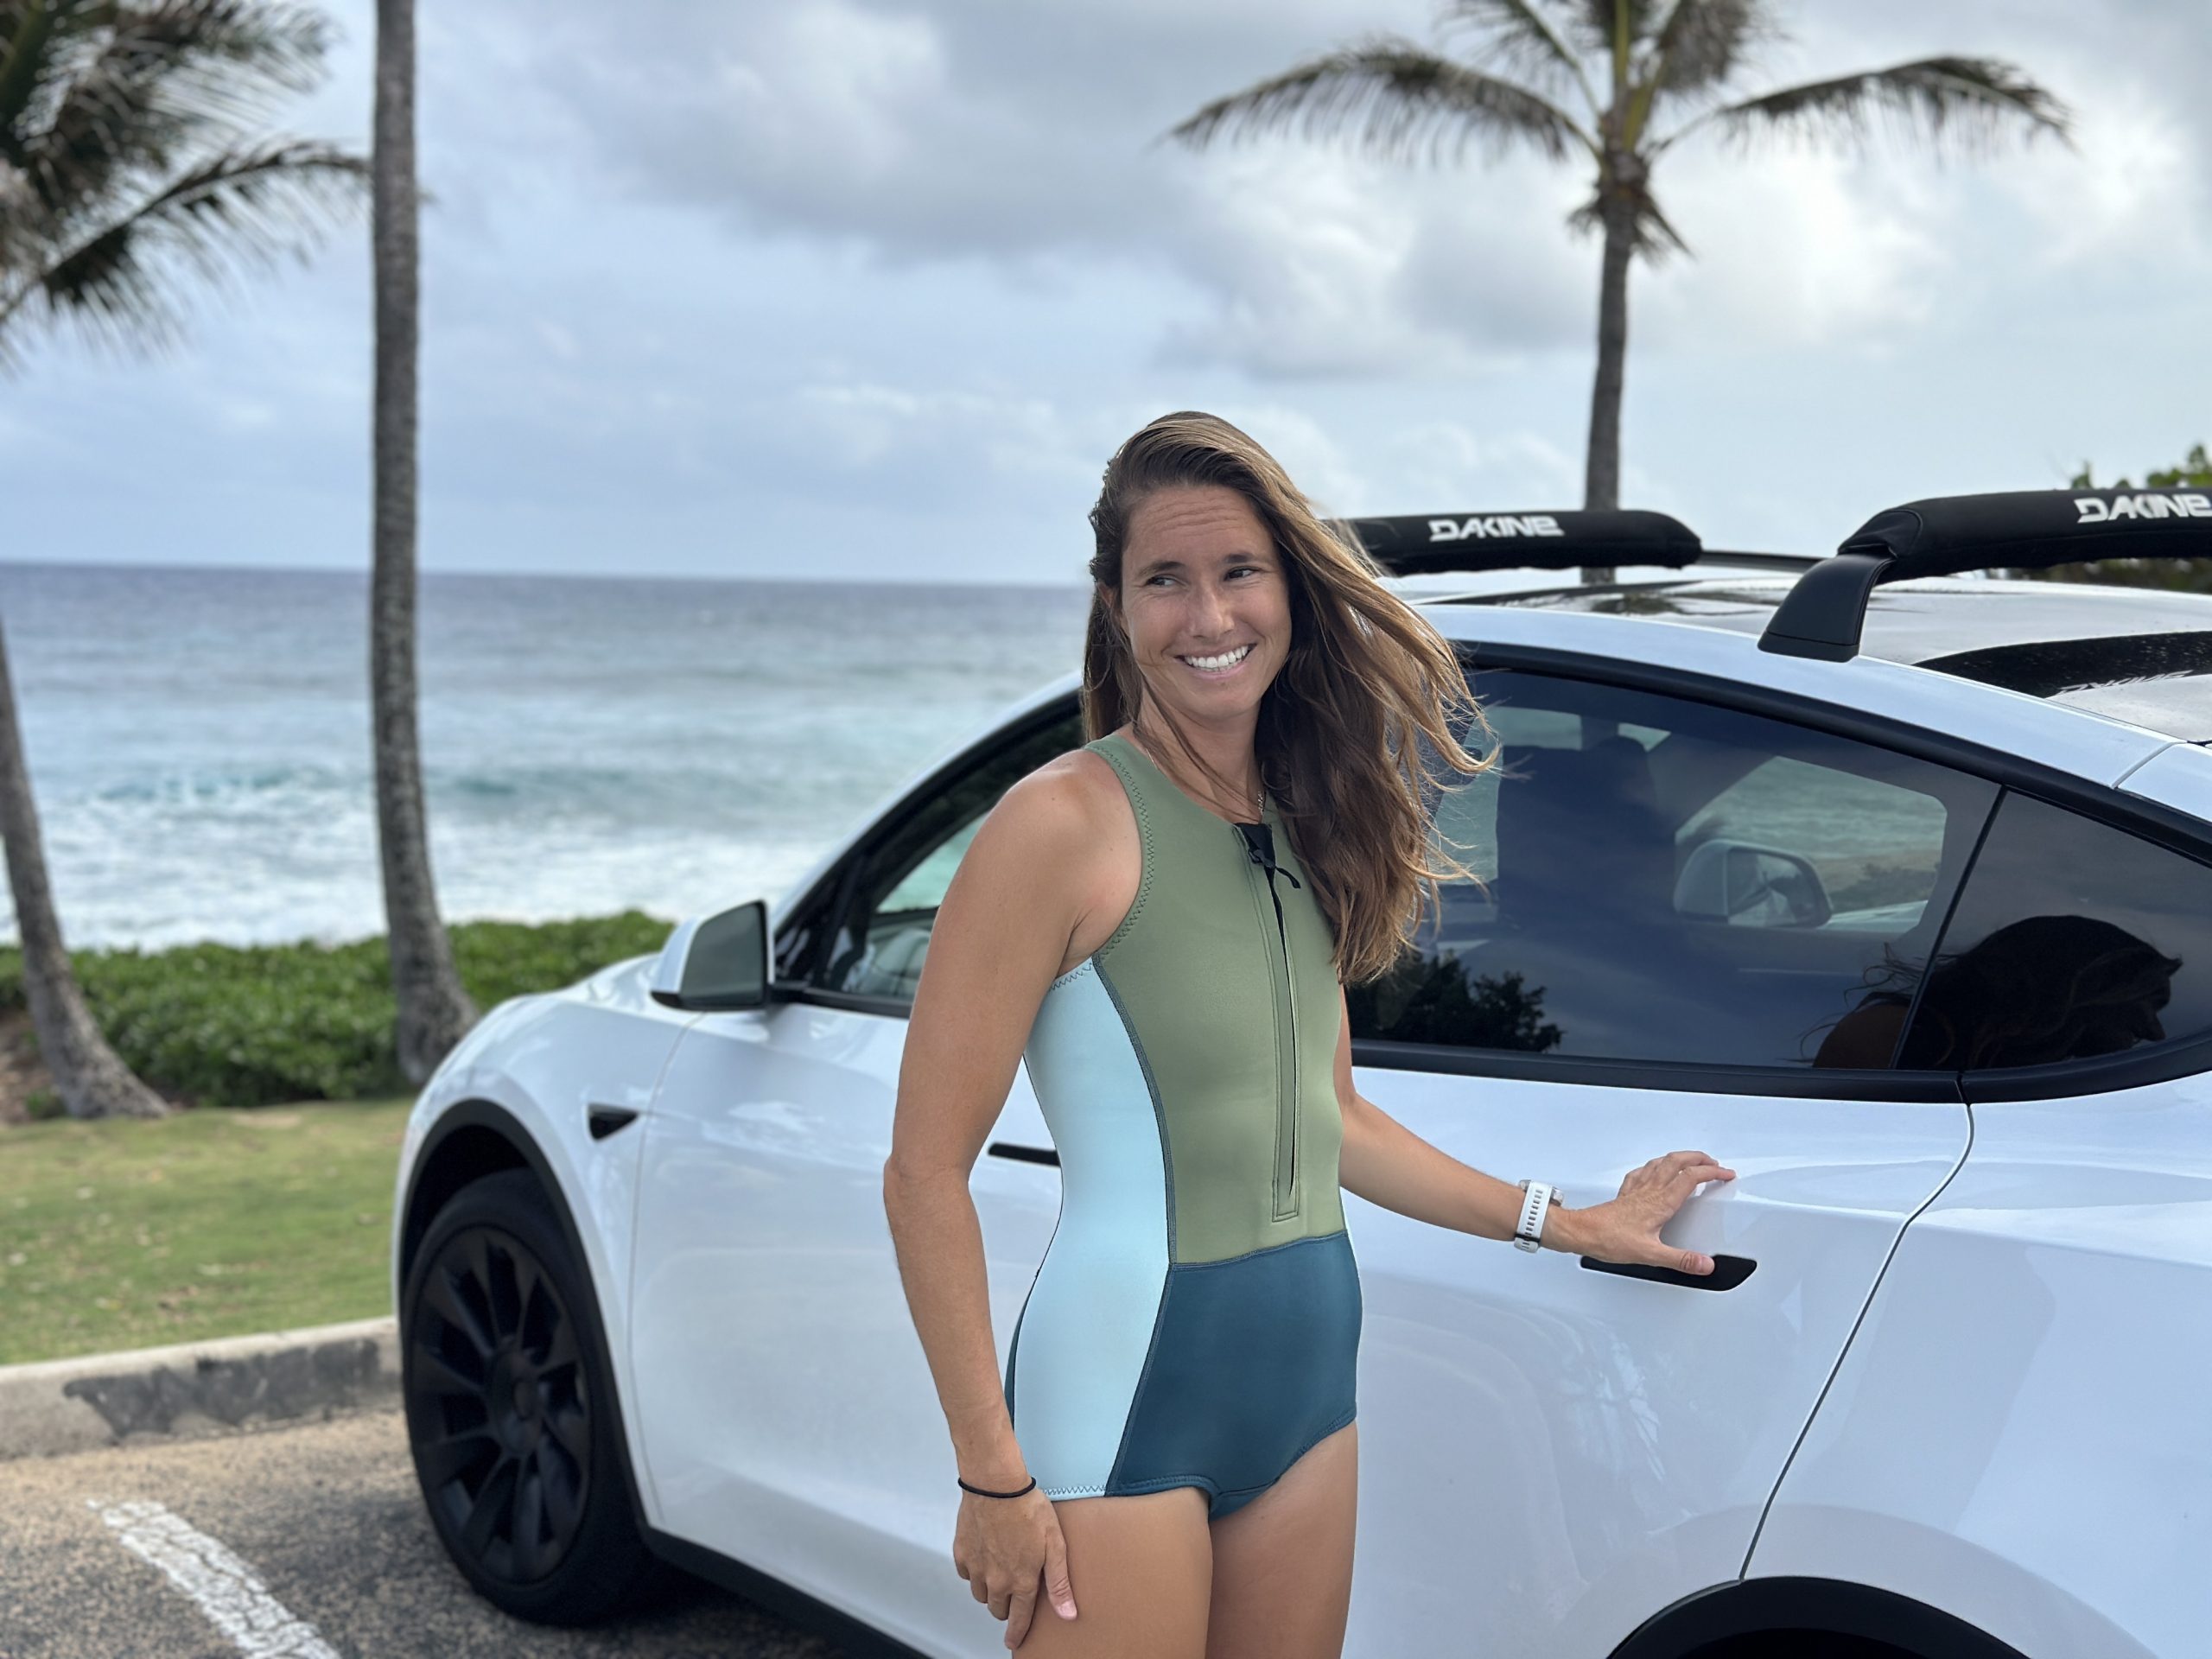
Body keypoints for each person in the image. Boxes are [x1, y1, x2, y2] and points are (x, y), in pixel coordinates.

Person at [880, 410, 1735, 1657]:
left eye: (1239, 573)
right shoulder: (1061, 823)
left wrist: (1567, 1221)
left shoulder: (1306, 822)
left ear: (1287, 589)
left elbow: (1335, 1122)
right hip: (1124, 1384)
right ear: (1117, 607)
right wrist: (990, 1474)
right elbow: (922, 1174)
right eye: (1164, 581)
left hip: (1307, 1388)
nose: (1209, 616)